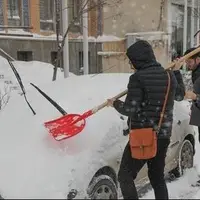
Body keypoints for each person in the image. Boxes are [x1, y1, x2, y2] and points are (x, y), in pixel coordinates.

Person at [107, 40, 185, 199]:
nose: (131, 65)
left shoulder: (137, 78)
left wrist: (114, 103)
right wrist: (176, 72)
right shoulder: (169, 75)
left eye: (131, 62)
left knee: (125, 176)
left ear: (138, 60)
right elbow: (180, 95)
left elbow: (130, 109)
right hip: (163, 135)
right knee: (156, 177)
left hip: (143, 136)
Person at [184, 48, 200, 142]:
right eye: (186, 62)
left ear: (198, 59)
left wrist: (196, 97)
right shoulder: (196, 73)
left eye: (189, 61)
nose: (187, 65)